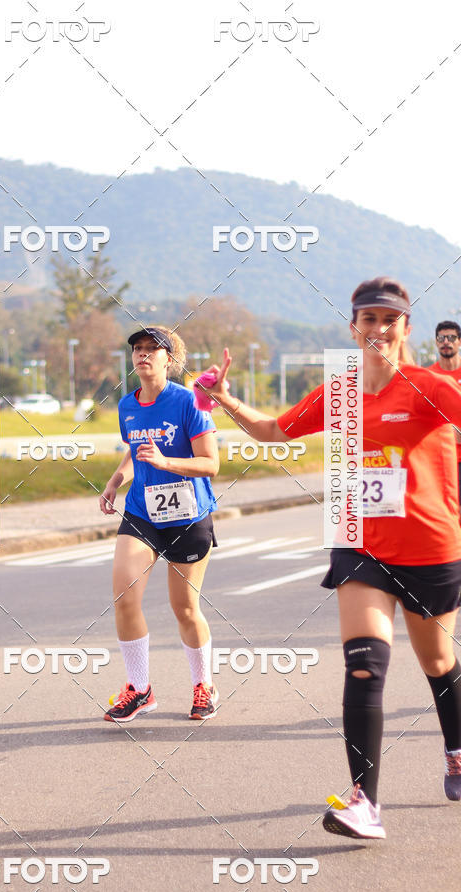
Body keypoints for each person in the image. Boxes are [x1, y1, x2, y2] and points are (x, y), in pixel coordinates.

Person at [204, 277, 461, 840]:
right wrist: (224, 399)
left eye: (388, 320)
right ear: (353, 328)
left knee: (438, 663)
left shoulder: (431, 387)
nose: (377, 329)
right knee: (365, 666)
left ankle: (457, 747)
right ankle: (365, 801)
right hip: (363, 547)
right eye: (367, 319)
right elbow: (275, 430)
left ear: (405, 328)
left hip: (431, 547)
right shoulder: (340, 393)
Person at [100, 326, 220, 722]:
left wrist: (167, 463)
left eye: (153, 349)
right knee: (125, 595)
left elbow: (211, 464)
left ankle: (204, 685)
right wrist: (117, 480)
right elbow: (135, 450)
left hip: (187, 514)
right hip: (142, 513)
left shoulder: (189, 403)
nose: (143, 354)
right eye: (138, 349)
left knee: (184, 608)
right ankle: (140, 688)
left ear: (170, 358)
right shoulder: (126, 406)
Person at [428, 321, 461, 505]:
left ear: (459, 341)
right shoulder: (428, 377)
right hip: (438, 461)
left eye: (451, 338)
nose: (446, 342)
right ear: (436, 342)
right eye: (441, 338)